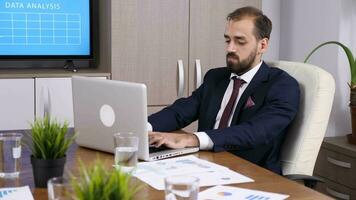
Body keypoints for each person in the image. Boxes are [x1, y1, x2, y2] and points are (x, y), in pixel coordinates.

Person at [148, 6, 300, 174]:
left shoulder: (283, 85)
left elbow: (256, 131)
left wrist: (192, 139)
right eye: (228, 40)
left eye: (240, 41)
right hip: (204, 165)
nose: (230, 48)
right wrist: (142, 128)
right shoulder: (216, 77)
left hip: (252, 174)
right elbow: (180, 112)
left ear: (262, 45)